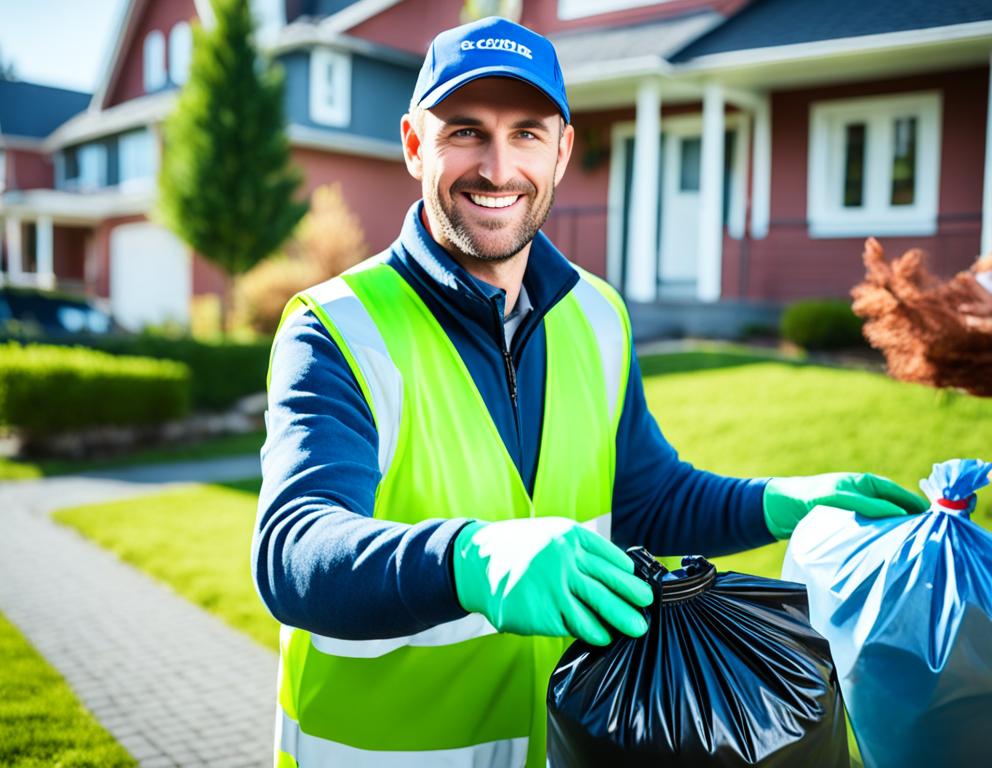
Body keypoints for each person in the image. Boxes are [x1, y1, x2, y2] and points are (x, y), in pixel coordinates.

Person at [253, 16, 927, 768]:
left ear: (563, 150)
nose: (499, 168)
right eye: (466, 132)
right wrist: (468, 559)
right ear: (415, 144)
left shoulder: (597, 315)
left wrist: (785, 501)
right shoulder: (338, 327)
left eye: (528, 134)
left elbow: (645, 500)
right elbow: (295, 548)